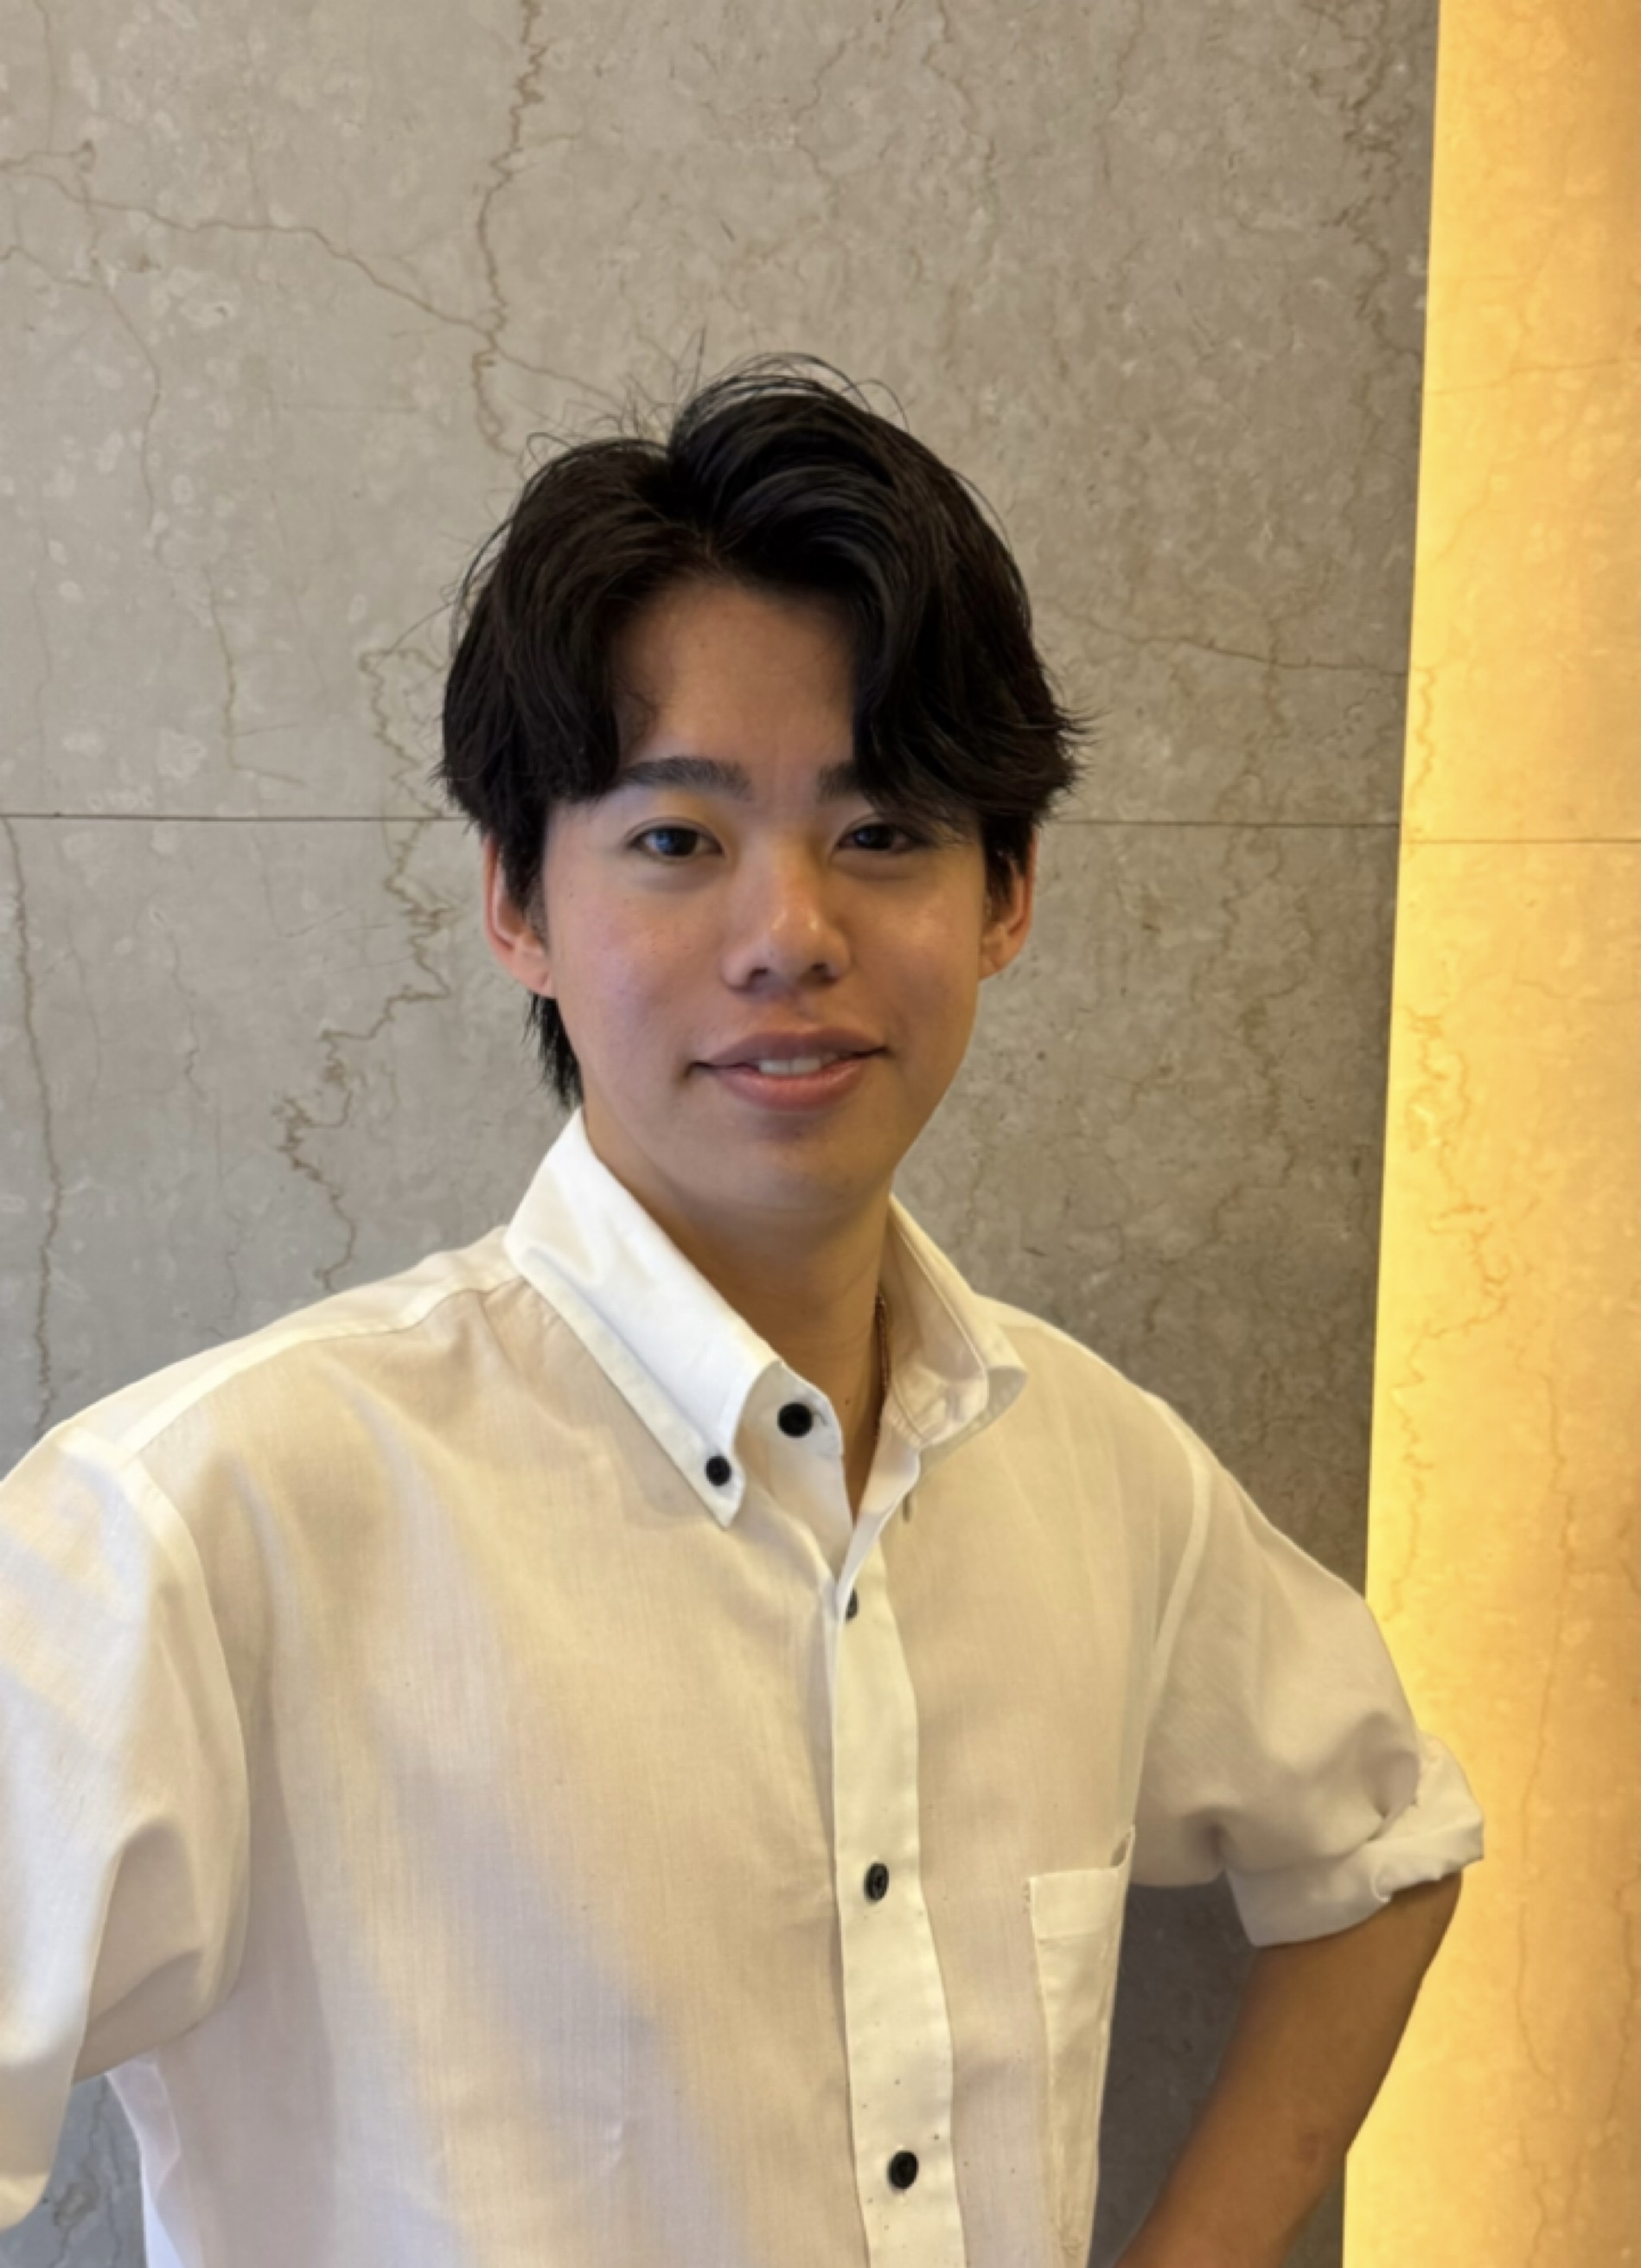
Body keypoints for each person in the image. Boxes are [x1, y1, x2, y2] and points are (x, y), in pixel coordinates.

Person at [0, 361, 1483, 2268]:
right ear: (517, 902)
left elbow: (1383, 1846)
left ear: (1007, 893)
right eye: (677, 840)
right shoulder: (200, 1524)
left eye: (882, 832)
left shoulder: (1098, 1474)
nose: (791, 932)